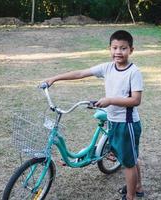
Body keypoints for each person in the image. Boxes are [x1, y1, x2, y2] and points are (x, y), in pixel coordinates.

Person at [44, 30, 144, 200]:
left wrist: (110, 100)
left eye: (123, 48)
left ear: (131, 50)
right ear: (109, 48)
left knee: (128, 162)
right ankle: (138, 187)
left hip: (126, 124)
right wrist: (54, 78)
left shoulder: (133, 72)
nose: (118, 52)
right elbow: (81, 73)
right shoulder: (107, 67)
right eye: (115, 48)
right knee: (130, 158)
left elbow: (136, 100)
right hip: (113, 120)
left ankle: (131, 196)